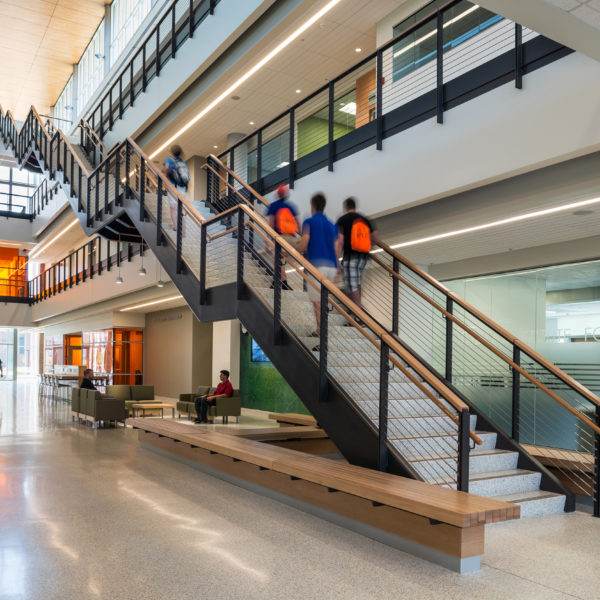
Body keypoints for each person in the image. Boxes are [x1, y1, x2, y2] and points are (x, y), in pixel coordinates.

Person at [296, 193, 339, 349]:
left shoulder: (309, 221)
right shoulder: (331, 224)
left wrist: (293, 248)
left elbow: (304, 244)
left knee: (317, 304)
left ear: (312, 206)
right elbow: (336, 247)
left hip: (316, 266)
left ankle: (324, 341)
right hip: (331, 267)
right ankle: (319, 330)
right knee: (323, 301)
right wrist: (338, 266)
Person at [335, 197, 380, 311]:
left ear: (345, 207)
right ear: (355, 207)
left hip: (351, 258)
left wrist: (336, 260)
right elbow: (375, 238)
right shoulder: (365, 219)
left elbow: (340, 241)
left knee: (352, 286)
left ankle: (358, 314)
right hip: (365, 258)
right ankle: (354, 311)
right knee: (353, 284)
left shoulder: (343, 220)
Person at [266, 184, 301, 283]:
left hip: (279, 238)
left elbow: (271, 225)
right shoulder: (291, 206)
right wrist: (301, 236)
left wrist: (267, 241)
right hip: (292, 238)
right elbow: (298, 223)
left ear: (277, 194)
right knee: (282, 259)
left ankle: (277, 281)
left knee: (276, 259)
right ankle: (284, 281)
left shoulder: (273, 206)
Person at [162, 145, 190, 233]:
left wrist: (162, 172)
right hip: (183, 188)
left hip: (173, 187)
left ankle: (177, 227)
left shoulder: (169, 159)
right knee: (181, 209)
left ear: (172, 152)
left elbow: (166, 169)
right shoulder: (183, 163)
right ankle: (184, 228)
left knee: (173, 208)